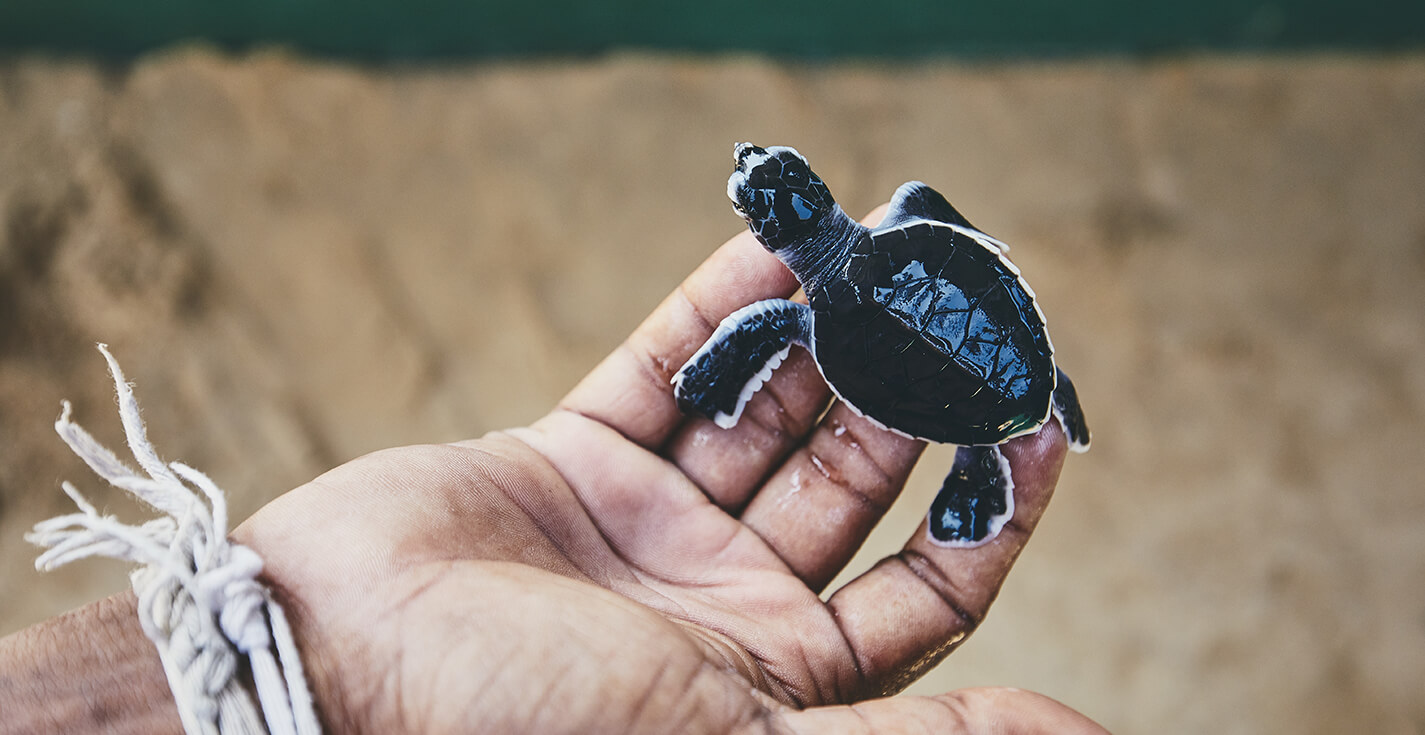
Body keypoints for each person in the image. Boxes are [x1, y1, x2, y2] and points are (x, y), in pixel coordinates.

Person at [0, 214, 1108, 734]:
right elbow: (934, 239)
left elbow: (764, 332)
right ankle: (1029, 408)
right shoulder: (904, 229)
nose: (747, 197)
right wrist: (325, 668)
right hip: (935, 270)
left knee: (758, 329)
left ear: (787, 220)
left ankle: (1015, 422)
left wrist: (305, 673)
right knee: (910, 319)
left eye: (758, 198)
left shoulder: (798, 312)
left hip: (893, 312)